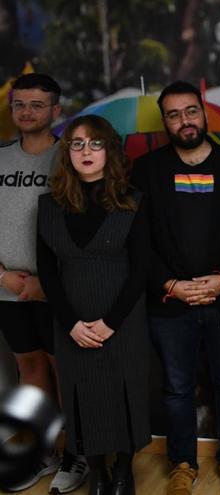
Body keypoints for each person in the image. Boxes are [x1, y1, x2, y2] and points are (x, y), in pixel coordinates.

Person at [131, 81, 220, 495]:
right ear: (165, 120)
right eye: (174, 114)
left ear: (204, 113)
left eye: (191, 112)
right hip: (169, 301)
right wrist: (171, 284)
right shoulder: (145, 171)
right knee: (177, 387)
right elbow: (138, 240)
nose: (184, 121)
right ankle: (182, 463)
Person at [36, 114, 151, 495]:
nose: (87, 151)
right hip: (71, 319)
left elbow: (141, 270)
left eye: (95, 144)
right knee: (83, 396)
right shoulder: (49, 205)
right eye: (78, 144)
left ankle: (123, 471)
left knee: (123, 392)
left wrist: (110, 323)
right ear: (67, 152)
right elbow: (47, 272)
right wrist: (71, 324)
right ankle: (97, 472)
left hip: (121, 317)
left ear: (110, 150)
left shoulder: (131, 201)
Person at [0, 73, 91, 493]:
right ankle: (41, 452)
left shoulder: (69, 159)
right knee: (29, 368)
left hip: (57, 288)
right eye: (20, 104)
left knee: (66, 370)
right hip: (7, 286)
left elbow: (85, 231)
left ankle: (78, 454)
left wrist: (46, 282)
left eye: (38, 105)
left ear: (56, 111)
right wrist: (2, 276)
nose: (27, 112)